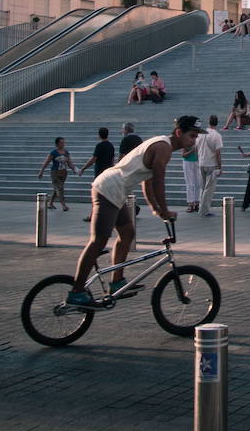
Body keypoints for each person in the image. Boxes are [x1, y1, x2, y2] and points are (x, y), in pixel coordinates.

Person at [68, 115, 197, 308]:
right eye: (192, 136)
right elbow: (158, 182)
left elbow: (147, 181)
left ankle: (117, 281)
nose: (194, 141)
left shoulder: (160, 143)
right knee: (98, 240)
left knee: (128, 232)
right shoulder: (164, 148)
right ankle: (76, 292)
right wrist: (166, 210)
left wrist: (155, 209)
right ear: (179, 133)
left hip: (116, 191)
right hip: (108, 189)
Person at [37, 137, 77, 210]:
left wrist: (74, 169)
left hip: (63, 172)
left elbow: (69, 162)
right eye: (61, 142)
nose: (63, 144)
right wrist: (41, 171)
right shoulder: (53, 153)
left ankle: (50, 203)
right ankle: (63, 205)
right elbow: (46, 162)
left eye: (63, 142)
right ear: (57, 144)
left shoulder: (66, 152)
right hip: (55, 172)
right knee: (60, 188)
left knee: (57, 188)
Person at [194, 116, 224, 216]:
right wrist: (219, 167)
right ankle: (204, 210)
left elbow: (196, 147)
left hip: (201, 162)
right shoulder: (217, 135)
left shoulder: (201, 134)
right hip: (211, 163)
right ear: (216, 123)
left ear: (209, 122)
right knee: (209, 188)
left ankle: (201, 208)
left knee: (202, 187)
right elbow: (218, 153)